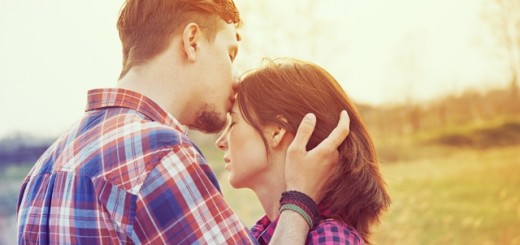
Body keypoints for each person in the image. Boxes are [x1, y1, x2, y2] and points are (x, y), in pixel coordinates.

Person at [16, 1, 350, 244]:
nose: (235, 79)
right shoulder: (157, 153)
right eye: (229, 53)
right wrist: (300, 200)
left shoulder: (43, 171)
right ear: (192, 42)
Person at [215, 58, 392, 244]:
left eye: (233, 123)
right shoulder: (260, 234)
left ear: (276, 132)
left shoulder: (331, 238)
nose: (220, 142)